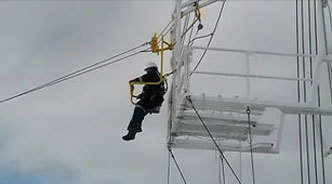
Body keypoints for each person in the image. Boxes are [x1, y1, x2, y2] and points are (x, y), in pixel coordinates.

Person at [122, 62, 166, 141]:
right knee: (139, 115)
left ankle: (132, 131)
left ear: (151, 69)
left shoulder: (154, 75)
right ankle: (132, 132)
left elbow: (145, 78)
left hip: (153, 100)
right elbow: (149, 90)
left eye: (147, 70)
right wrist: (141, 95)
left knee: (138, 109)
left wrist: (133, 81)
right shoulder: (156, 79)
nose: (147, 72)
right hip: (153, 100)